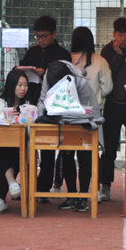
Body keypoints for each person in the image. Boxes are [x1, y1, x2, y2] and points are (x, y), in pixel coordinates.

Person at [37, 60, 101, 212]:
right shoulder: (48, 76)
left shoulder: (81, 83)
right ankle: (71, 194)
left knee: (85, 155)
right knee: (66, 153)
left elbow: (86, 109)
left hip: (83, 119)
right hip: (60, 120)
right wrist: (42, 115)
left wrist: (70, 115)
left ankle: (83, 196)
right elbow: (42, 100)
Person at [20, 15, 71, 196]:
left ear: (54, 34)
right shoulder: (32, 52)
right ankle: (27, 185)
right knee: (26, 146)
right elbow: (21, 70)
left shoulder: (62, 54)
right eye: (37, 36)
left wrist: (46, 74)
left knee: (48, 148)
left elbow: (67, 81)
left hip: (52, 105)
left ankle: (43, 187)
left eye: (44, 36)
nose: (40, 40)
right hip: (31, 101)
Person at [67, 26, 112, 202]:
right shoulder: (101, 61)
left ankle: (71, 194)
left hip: (68, 114)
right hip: (91, 115)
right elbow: (107, 88)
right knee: (87, 156)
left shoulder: (67, 60)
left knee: (67, 154)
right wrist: (96, 94)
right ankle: (85, 194)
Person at [100, 17, 126, 202]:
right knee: (109, 147)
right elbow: (107, 74)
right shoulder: (107, 50)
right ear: (114, 34)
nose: (124, 38)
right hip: (112, 104)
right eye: (120, 34)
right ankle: (105, 186)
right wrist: (118, 55)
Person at [0, 69, 29, 214]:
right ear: (11, 85)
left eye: (25, 85)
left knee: (13, 152)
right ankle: (12, 184)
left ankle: (1, 198)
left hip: (21, 145)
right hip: (1, 143)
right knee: (0, 150)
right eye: (19, 85)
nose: (23, 89)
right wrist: (5, 118)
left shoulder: (28, 105)